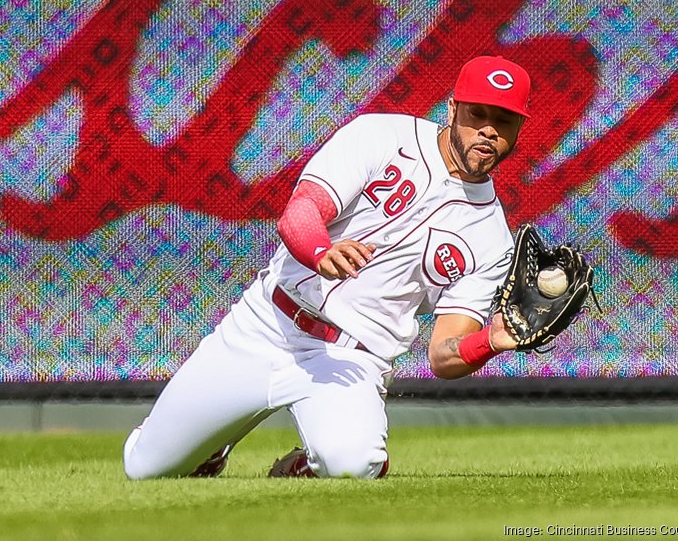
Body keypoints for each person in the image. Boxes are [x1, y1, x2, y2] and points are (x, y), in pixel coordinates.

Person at [123, 55, 532, 480]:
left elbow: (443, 357)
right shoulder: (382, 135)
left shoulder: (492, 239)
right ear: (452, 109)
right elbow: (298, 214)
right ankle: (208, 445)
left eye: (503, 120)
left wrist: (492, 340)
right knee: (144, 469)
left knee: (352, 465)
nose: (487, 129)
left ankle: (305, 465)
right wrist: (320, 252)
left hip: (348, 358)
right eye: (477, 114)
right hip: (267, 325)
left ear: (519, 129)